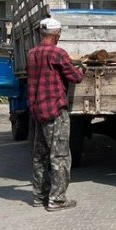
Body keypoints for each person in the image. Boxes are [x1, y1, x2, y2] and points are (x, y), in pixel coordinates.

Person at [26, 17, 85, 211]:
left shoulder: (32, 53)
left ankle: (39, 196)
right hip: (55, 110)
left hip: (37, 111)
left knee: (39, 156)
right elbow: (74, 77)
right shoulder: (58, 53)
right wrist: (82, 68)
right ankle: (57, 199)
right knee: (59, 156)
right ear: (57, 34)